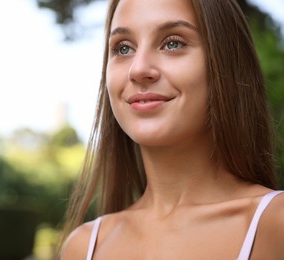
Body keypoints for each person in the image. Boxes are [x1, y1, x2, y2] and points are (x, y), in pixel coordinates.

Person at [59, 0, 284, 259]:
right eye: (123, 48)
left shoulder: (274, 226)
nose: (139, 69)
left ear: (225, 63)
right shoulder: (85, 246)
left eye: (173, 43)